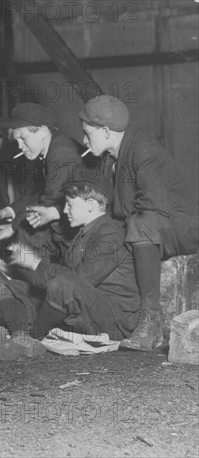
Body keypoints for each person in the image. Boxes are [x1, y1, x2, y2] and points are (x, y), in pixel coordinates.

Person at [79, 95, 199, 350]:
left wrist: (120, 226)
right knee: (113, 230)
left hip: (180, 225)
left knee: (138, 225)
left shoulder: (142, 148)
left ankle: (151, 322)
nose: (83, 141)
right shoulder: (110, 159)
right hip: (154, 222)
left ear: (105, 131)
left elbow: (153, 205)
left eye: (87, 134)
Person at [0, 172, 140, 361]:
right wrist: (17, 268)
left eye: (69, 204)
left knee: (62, 284)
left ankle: (33, 338)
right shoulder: (83, 233)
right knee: (12, 287)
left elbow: (77, 280)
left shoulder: (110, 235)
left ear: (90, 205)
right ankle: (20, 336)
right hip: (86, 306)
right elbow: (60, 279)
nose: (64, 210)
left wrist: (35, 263)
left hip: (113, 318)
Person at [0, 103, 87, 261]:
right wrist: (8, 213)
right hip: (67, 226)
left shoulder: (61, 154)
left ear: (43, 131)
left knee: (26, 240)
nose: (20, 147)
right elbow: (37, 195)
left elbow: (47, 203)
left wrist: (13, 227)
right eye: (17, 140)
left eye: (23, 139)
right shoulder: (47, 150)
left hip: (80, 237)